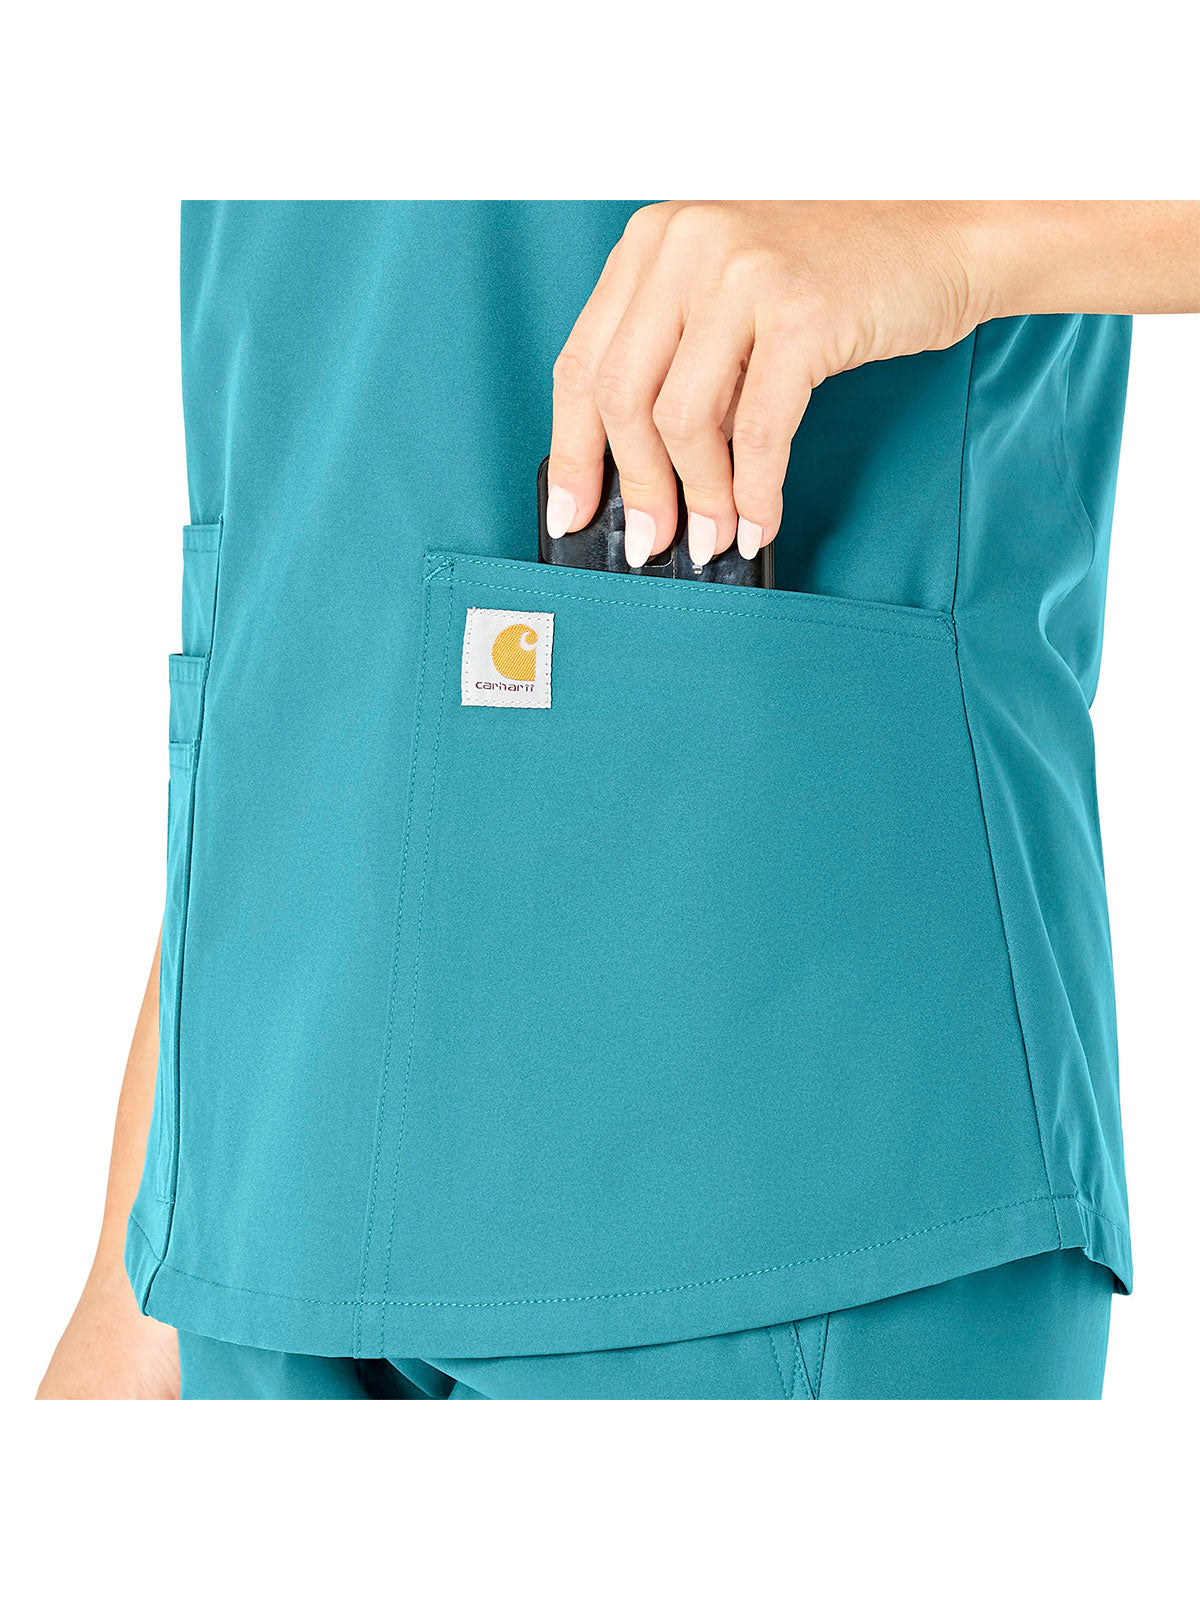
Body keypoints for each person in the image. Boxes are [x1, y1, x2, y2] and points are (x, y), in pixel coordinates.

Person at [39, 201, 1199, 1400]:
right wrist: (139, 1257)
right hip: (257, 1182)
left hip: (774, 1136)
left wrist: (951, 236)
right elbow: (329, 518)